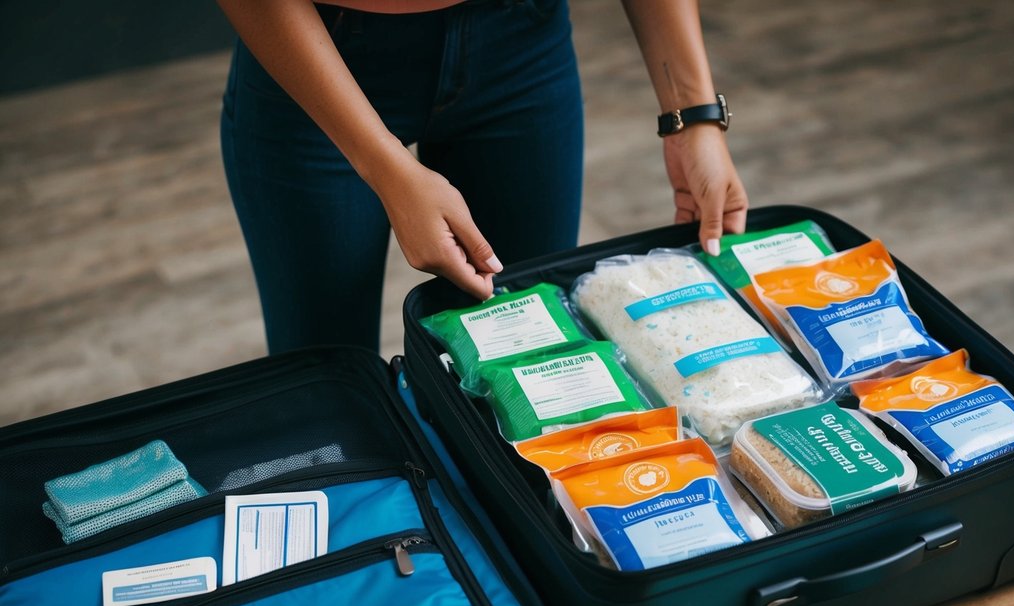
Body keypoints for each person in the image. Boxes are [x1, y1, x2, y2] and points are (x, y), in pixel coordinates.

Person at [218, 0, 748, 353]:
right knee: (324, 379)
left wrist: (692, 117)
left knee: (535, 349)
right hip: (315, 52)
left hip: (522, 43)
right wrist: (384, 165)